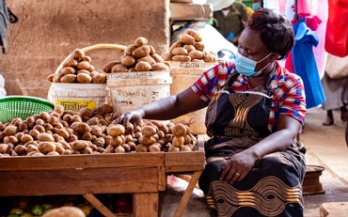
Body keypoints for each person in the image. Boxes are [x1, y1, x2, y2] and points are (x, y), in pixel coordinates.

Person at [115, 8, 306, 217]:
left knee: (276, 167)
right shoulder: (222, 73)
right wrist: (142, 111)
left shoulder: (289, 83)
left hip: (271, 150)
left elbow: (287, 132)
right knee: (218, 169)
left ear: (274, 56)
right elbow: (178, 102)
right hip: (225, 150)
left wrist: (252, 153)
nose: (241, 55)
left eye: (250, 53)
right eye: (240, 47)